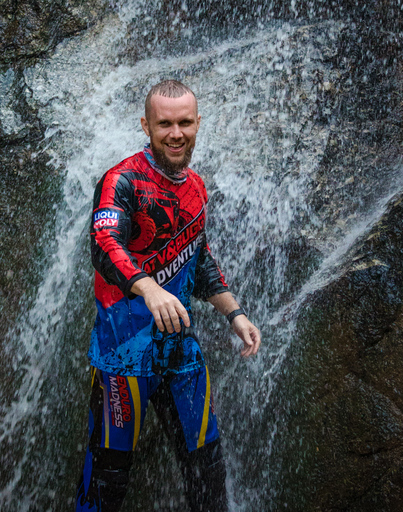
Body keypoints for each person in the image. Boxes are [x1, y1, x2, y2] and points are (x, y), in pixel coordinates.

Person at [75, 79, 261, 512]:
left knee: (208, 471)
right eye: (164, 124)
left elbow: (199, 260)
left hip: (180, 354)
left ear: (197, 123)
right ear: (147, 126)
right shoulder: (121, 180)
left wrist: (235, 314)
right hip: (123, 356)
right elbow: (104, 244)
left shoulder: (196, 187)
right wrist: (149, 288)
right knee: (108, 479)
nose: (175, 133)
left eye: (184, 123)